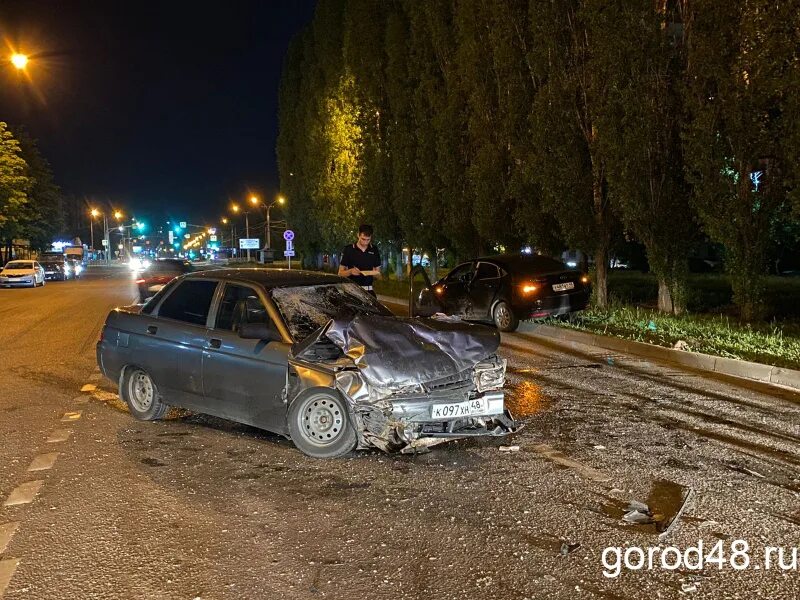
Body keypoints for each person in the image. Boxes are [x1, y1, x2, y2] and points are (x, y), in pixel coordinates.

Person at [339, 224, 381, 295]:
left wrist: (375, 273)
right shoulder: (349, 249)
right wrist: (350, 271)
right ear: (358, 235)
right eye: (363, 239)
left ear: (371, 237)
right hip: (352, 291)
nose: (365, 242)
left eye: (368, 240)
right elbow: (340, 273)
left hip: (369, 291)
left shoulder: (374, 249)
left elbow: (379, 275)